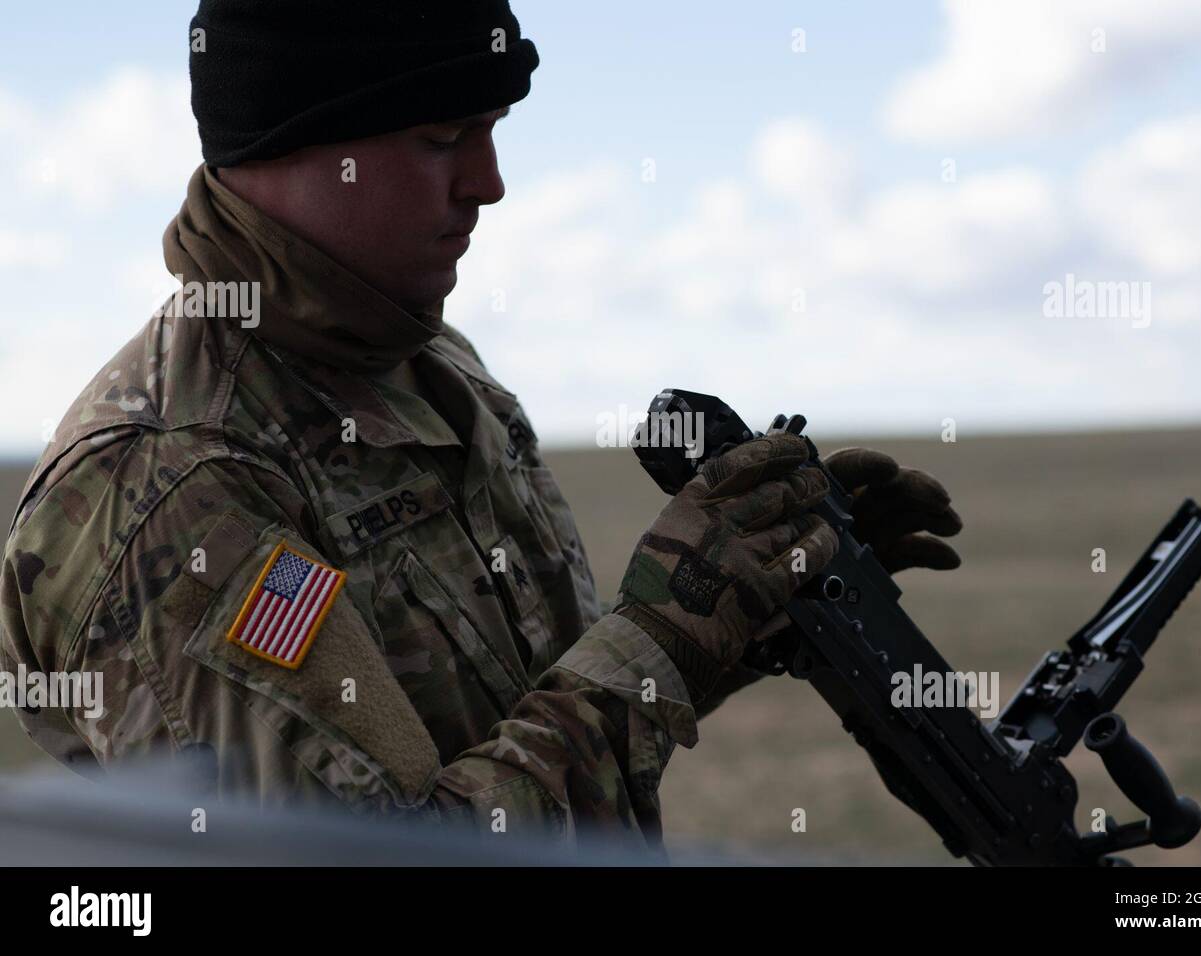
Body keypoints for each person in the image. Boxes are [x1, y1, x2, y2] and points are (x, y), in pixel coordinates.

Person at [0, 0, 962, 848]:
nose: (488, 181)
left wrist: (739, 606)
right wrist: (661, 637)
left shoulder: (432, 368)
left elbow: (532, 725)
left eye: (491, 130)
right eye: (441, 137)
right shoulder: (170, 487)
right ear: (297, 141)